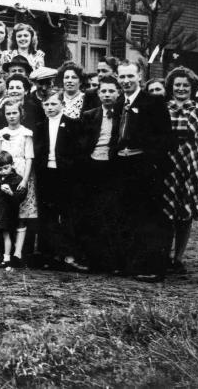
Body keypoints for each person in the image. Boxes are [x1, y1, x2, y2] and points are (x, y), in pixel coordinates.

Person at [113, 60, 174, 282]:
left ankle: (154, 268)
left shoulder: (153, 102)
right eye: (122, 77)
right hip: (123, 166)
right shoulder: (120, 102)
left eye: (130, 76)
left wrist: (148, 159)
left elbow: (165, 137)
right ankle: (131, 264)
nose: (126, 81)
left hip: (146, 167)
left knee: (150, 217)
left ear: (139, 76)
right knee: (127, 216)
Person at [161, 67, 198, 274]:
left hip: (191, 164)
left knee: (185, 214)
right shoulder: (163, 108)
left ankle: (178, 258)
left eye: (185, 85)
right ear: (171, 87)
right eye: (177, 85)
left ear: (192, 88)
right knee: (166, 213)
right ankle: (163, 255)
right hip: (168, 164)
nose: (181, 89)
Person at [33, 88, 85, 272]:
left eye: (54, 103)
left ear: (62, 104)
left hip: (65, 175)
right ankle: (50, 255)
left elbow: (78, 151)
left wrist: (70, 167)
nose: (50, 107)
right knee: (48, 215)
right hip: (46, 174)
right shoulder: (40, 126)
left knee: (68, 215)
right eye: (46, 104)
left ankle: (70, 255)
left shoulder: (73, 124)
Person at [78, 75, 122, 272]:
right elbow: (82, 144)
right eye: (103, 91)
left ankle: (112, 261)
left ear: (118, 93)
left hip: (113, 168)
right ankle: (93, 259)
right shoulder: (89, 115)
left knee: (111, 213)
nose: (107, 94)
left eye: (111, 91)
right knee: (91, 213)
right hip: (92, 167)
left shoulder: (124, 114)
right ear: (98, 93)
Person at [0, 100, 37, 266]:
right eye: (8, 113)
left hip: (21, 174)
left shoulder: (26, 133)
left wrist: (24, 180)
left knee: (21, 214)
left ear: (21, 113)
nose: (11, 116)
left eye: (14, 113)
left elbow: (29, 158)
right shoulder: (0, 133)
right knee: (1, 213)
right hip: (3, 175)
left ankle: (17, 253)